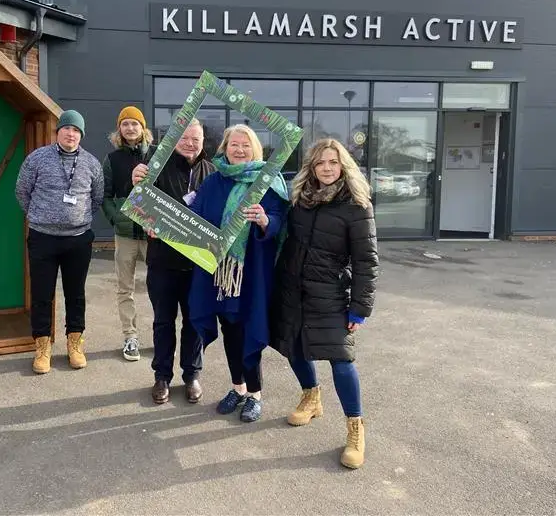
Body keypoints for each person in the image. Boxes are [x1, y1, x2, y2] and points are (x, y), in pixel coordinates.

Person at [269, 138, 378, 469]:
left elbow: (366, 262)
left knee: (341, 361)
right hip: (293, 290)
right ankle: (311, 396)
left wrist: (360, 307)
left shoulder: (357, 206)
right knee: (295, 349)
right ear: (311, 168)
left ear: (343, 165)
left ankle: (355, 429)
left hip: (330, 295)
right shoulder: (300, 201)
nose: (327, 168)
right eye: (320, 163)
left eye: (333, 162)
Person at [187, 124, 289, 423]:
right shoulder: (214, 182)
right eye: (234, 144)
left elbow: (282, 218)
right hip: (219, 274)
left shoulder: (267, 181)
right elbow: (197, 219)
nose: (240, 149)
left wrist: (265, 220)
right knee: (230, 328)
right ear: (225, 148)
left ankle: (255, 395)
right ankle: (238, 387)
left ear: (255, 149)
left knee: (249, 327)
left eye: (246, 145)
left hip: (252, 271)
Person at [131, 119, 215, 405]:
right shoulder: (155, 165)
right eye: (185, 138)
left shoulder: (212, 172)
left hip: (197, 267)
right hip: (163, 262)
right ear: (174, 139)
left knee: (194, 323)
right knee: (163, 322)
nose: (190, 144)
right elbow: (139, 200)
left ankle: (191, 375)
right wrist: (137, 183)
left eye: (196, 139)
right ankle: (162, 377)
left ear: (203, 140)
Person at [15, 109, 104, 374]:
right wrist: (39, 216)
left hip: (78, 240)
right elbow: (22, 191)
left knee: (76, 294)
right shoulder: (38, 158)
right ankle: (42, 347)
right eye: (67, 128)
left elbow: (97, 198)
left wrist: (78, 218)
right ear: (58, 131)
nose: (71, 133)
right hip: (43, 238)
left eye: (76, 130)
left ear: (81, 135)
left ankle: (74, 344)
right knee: (42, 294)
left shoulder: (91, 163)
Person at [101, 106, 155, 361]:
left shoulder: (157, 156)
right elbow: (105, 195)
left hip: (153, 235)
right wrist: (117, 219)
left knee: (160, 287)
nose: (130, 128)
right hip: (125, 235)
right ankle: (130, 336)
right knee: (125, 288)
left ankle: (161, 334)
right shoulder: (112, 160)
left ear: (143, 128)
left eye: (135, 123)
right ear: (119, 129)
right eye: (125, 124)